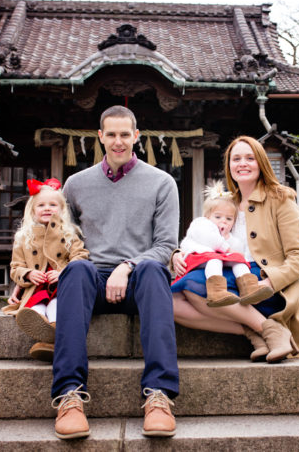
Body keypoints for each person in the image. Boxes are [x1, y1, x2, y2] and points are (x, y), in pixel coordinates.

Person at [50, 105, 180, 440]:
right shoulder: (76, 184)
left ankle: (158, 396)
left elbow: (166, 245)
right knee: (76, 269)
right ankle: (70, 396)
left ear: (137, 136)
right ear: (100, 137)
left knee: (153, 269)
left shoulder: (162, 183)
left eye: (125, 134)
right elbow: (66, 239)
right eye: (112, 134)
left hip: (139, 281)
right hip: (91, 280)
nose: (118, 141)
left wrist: (127, 265)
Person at [171, 135, 299, 364]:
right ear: (229, 166)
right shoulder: (226, 205)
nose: (242, 163)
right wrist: (179, 254)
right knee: (173, 301)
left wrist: (268, 283)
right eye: (236, 159)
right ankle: (261, 331)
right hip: (229, 279)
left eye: (250, 158)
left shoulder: (281, 199)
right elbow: (203, 237)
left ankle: (268, 330)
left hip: (267, 286)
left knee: (194, 286)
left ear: (261, 163)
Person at [5, 178, 88, 357]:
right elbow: (15, 267)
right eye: (41, 205)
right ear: (33, 211)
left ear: (62, 210)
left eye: (53, 204)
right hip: (37, 286)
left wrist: (64, 272)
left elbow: (80, 256)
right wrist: (28, 274)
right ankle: (41, 327)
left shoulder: (69, 234)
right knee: (35, 308)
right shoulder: (23, 237)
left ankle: (47, 340)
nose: (47, 208)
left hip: (59, 285)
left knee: (56, 307)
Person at [173, 180, 273, 307]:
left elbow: (236, 248)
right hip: (197, 256)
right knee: (215, 261)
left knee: (238, 260)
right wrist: (226, 247)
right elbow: (209, 239)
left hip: (215, 257)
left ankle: (249, 287)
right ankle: (216, 291)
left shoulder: (226, 236)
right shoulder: (201, 223)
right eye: (218, 217)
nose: (223, 222)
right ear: (208, 216)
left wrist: (228, 241)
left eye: (229, 219)